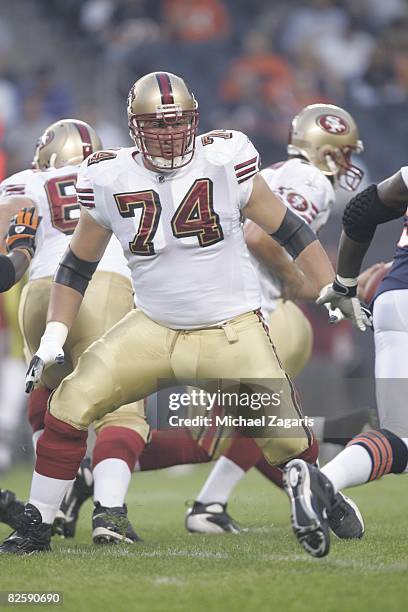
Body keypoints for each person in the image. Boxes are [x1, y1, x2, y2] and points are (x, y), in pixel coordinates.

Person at [0, 71, 366, 556]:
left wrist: (334, 285)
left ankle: (320, 490)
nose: (170, 134)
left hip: (230, 327)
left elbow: (291, 229)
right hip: (150, 325)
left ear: (194, 121)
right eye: (157, 124)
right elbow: (76, 266)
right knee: (68, 405)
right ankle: (36, 525)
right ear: (135, 127)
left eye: (178, 123)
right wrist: (54, 334)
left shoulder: (225, 158)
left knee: (289, 441)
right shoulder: (108, 174)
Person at [184, 103, 367, 534]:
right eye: (343, 152)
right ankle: (325, 497)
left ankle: (209, 505)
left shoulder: (283, 171)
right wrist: (290, 275)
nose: (347, 163)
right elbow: (259, 235)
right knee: (257, 423)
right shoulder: (311, 182)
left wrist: (325, 288)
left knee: (261, 417)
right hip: (240, 309)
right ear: (326, 152)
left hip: (225, 299)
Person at [0, 119, 150, 545]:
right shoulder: (118, 168)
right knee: (120, 410)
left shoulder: (23, 180)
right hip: (103, 284)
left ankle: (47, 510)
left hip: (39, 292)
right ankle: (110, 513)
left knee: (52, 399)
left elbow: (5, 239)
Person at [283, 165, 408, 557]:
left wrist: (346, 284)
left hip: (395, 300)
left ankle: (321, 483)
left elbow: (359, 211)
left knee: (401, 436)